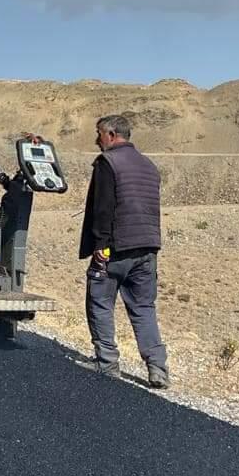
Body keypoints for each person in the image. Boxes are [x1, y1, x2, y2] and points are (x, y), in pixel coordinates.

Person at [79, 113, 169, 388]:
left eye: (99, 134)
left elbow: (104, 207)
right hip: (147, 247)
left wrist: (100, 245)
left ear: (111, 135)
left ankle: (107, 363)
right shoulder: (148, 165)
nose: (97, 140)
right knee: (143, 307)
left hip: (115, 248)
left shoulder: (108, 163)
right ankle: (157, 369)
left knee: (100, 301)